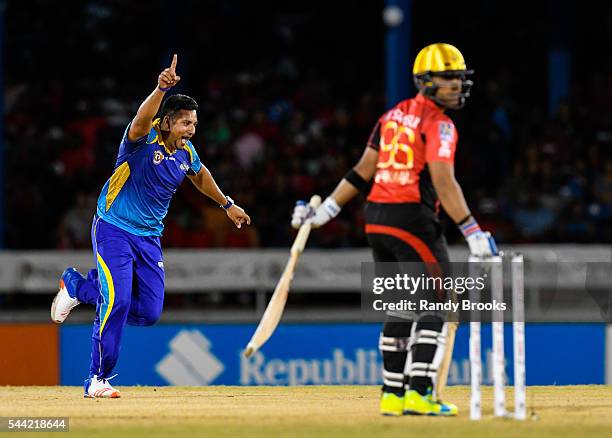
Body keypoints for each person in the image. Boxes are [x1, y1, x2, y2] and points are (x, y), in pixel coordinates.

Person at [291, 43, 497, 416]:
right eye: (448, 78)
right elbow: (445, 182)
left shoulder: (391, 116)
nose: (455, 85)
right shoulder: (441, 124)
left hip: (376, 220)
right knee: (436, 303)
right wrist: (472, 231)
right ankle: (419, 392)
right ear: (426, 81)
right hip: (413, 220)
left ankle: (392, 393)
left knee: (402, 306)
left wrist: (328, 211)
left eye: (458, 78)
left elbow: (362, 171)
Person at [51, 54, 251, 398]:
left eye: (194, 123)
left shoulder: (185, 152)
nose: (191, 129)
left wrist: (227, 205)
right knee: (115, 302)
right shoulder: (141, 141)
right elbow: (142, 119)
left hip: (148, 239)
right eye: (185, 123)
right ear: (167, 122)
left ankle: (77, 286)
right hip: (113, 227)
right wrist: (160, 89)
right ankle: (97, 379)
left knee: (147, 312)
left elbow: (200, 176)